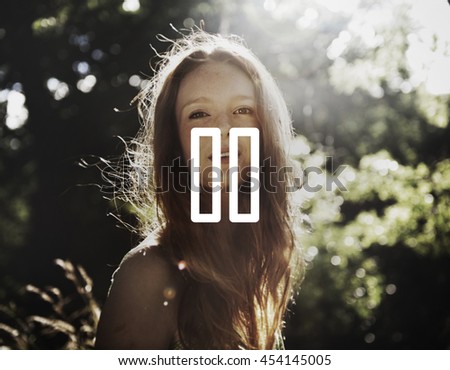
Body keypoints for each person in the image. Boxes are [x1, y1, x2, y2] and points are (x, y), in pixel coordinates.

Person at [95, 29, 303, 350]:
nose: (223, 128)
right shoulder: (148, 274)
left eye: (243, 110)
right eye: (199, 114)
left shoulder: (260, 256)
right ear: (175, 142)